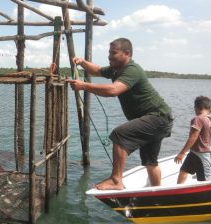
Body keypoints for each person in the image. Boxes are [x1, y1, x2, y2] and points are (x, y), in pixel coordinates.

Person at [67, 38, 173, 190]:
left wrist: (83, 85)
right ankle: (157, 193)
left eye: (113, 53)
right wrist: (82, 62)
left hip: (158, 117)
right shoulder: (115, 69)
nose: (109, 57)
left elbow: (114, 90)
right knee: (150, 161)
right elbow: (97, 70)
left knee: (120, 135)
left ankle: (116, 180)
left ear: (127, 53)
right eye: (109, 53)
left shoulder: (132, 69)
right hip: (161, 119)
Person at [174, 96, 211, 184]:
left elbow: (193, 137)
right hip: (194, 152)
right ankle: (179, 191)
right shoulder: (209, 120)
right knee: (184, 171)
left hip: (202, 154)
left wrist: (182, 153)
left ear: (196, 108)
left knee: (206, 182)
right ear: (210, 109)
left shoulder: (198, 119)